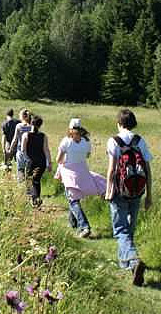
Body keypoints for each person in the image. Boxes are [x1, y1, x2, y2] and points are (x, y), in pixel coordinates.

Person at [105, 109, 153, 287]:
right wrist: (149, 196)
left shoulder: (114, 141)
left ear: (119, 123)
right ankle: (125, 263)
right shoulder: (140, 141)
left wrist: (109, 190)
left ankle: (133, 260)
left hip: (119, 190)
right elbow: (147, 170)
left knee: (120, 230)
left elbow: (111, 170)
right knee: (129, 228)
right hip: (137, 190)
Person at [55, 118, 106, 238]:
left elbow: (58, 159)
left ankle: (84, 226)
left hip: (70, 172)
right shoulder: (86, 142)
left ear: (70, 129)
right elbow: (87, 156)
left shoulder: (66, 141)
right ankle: (73, 224)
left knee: (73, 200)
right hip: (83, 171)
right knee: (73, 198)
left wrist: (65, 163)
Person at [21, 115, 51, 207]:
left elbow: (23, 150)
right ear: (40, 125)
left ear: (31, 123)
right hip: (41, 162)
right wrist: (49, 163)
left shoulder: (26, 135)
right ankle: (36, 198)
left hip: (31, 162)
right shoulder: (43, 136)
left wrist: (27, 160)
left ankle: (35, 199)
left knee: (30, 180)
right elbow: (46, 150)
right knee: (36, 180)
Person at [10, 109, 32, 182]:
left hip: (20, 151)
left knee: (20, 170)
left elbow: (15, 139)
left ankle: (20, 188)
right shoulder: (32, 127)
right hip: (30, 152)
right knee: (29, 171)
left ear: (22, 116)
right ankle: (29, 189)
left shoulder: (19, 126)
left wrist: (10, 149)